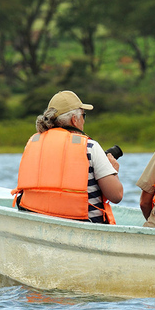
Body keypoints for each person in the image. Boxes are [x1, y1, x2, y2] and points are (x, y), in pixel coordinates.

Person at [12, 90, 123, 224]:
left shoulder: (32, 144)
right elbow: (116, 195)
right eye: (83, 115)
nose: (83, 120)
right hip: (84, 226)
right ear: (74, 119)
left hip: (38, 222)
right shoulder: (90, 147)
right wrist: (113, 171)